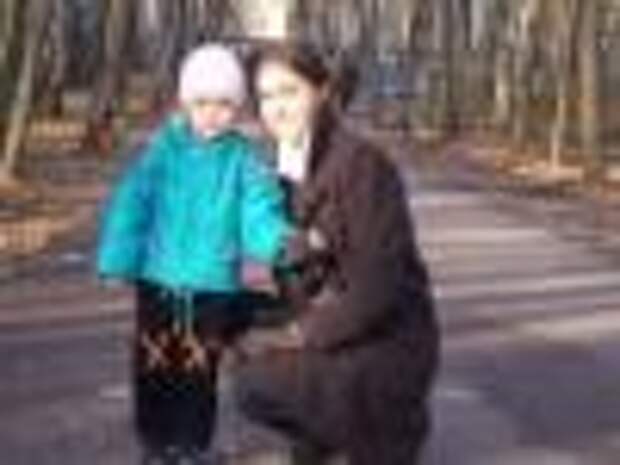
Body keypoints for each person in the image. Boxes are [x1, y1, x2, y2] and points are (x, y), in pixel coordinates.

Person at [234, 42, 440, 465]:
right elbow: (297, 277)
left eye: (290, 92)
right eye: (266, 96)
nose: (277, 108)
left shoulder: (362, 166)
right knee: (222, 318)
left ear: (322, 91)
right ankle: (322, 432)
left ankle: (386, 428)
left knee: (257, 382)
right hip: (340, 327)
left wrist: (294, 336)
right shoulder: (286, 167)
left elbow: (379, 290)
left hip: (390, 341)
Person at [95, 43, 292, 464]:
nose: (212, 114)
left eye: (224, 105)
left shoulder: (242, 159)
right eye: (202, 104)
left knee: (199, 371)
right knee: (153, 366)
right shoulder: (162, 152)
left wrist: (278, 242)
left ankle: (191, 446)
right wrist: (118, 260)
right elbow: (132, 204)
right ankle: (155, 444)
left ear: (237, 107)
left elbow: (257, 211)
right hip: (158, 283)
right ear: (186, 103)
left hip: (212, 287)